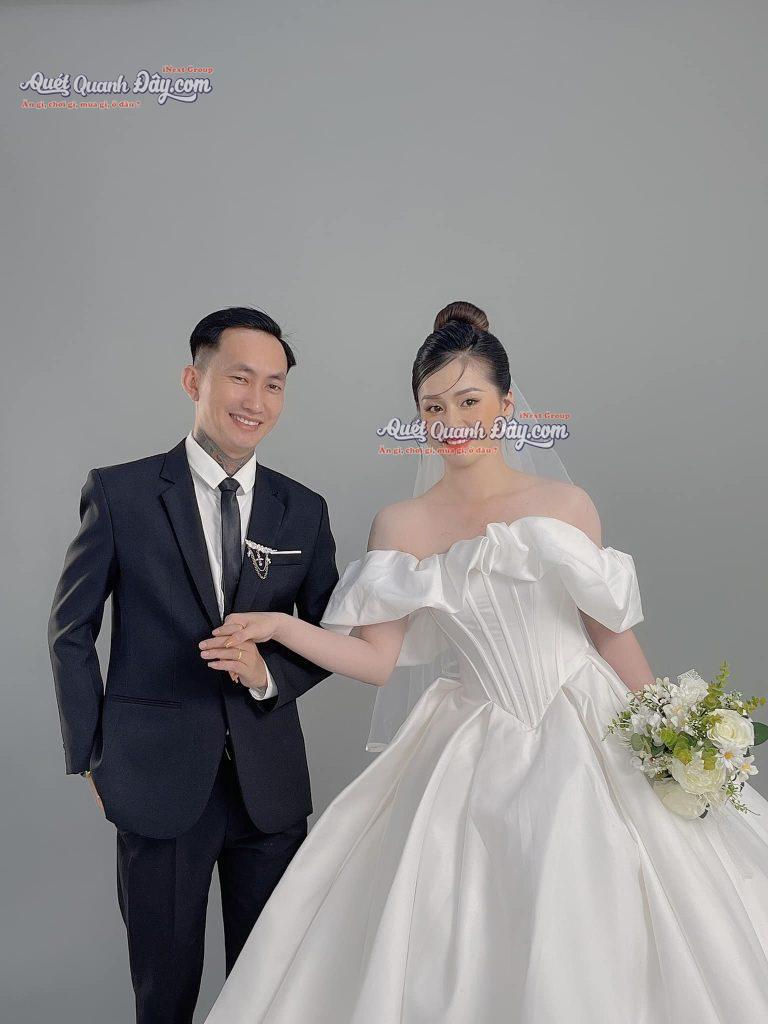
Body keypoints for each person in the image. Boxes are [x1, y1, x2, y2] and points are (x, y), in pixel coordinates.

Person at [200, 301, 768, 1023]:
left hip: (587, 724)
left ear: (506, 404)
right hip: (471, 732)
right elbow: (376, 660)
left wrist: (672, 730)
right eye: (433, 408)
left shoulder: (566, 505)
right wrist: (284, 626)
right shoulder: (401, 525)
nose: (452, 422)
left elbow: (611, 637)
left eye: (469, 401)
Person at [47, 306, 339, 1024]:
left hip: (270, 790)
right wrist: (91, 757)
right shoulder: (120, 494)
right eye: (240, 378)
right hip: (154, 781)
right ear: (193, 380)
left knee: (271, 993)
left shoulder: (302, 509)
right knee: (164, 994)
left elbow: (332, 634)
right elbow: (71, 631)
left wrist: (267, 676)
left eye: (274, 385)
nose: (256, 400)